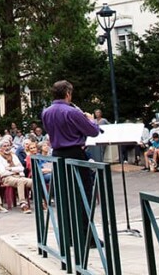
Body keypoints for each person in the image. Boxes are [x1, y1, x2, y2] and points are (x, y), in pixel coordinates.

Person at [40, 80, 100, 221]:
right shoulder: (72, 111)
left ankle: (69, 235)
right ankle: (86, 236)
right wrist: (92, 120)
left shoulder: (46, 112)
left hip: (57, 155)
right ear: (68, 93)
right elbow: (93, 131)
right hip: (75, 154)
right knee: (83, 193)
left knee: (64, 195)